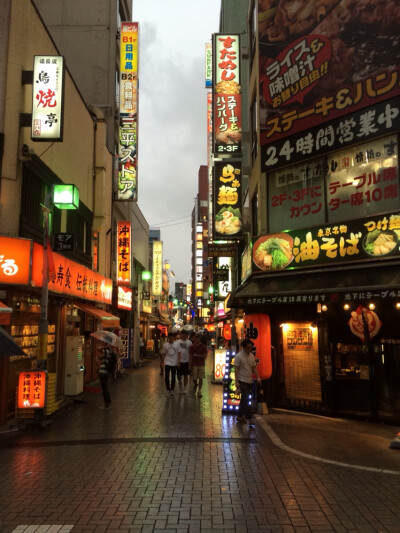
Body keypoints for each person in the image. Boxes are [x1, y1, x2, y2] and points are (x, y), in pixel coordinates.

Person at [234, 339, 261, 426]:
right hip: (242, 380)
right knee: (246, 399)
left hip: (249, 380)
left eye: (251, 347)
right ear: (244, 347)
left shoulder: (252, 356)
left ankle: (239, 416)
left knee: (244, 399)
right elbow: (236, 370)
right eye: (248, 347)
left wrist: (258, 377)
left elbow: (254, 368)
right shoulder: (238, 356)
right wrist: (236, 381)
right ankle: (249, 418)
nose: (250, 349)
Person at [97, 343, 117, 409]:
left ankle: (107, 404)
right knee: (105, 388)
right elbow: (104, 358)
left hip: (103, 372)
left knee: (104, 389)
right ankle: (108, 403)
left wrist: (105, 346)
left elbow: (98, 348)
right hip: (105, 372)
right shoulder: (110, 353)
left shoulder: (108, 351)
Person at [189, 333, 208, 398]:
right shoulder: (192, 346)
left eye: (198, 338)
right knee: (194, 378)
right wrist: (190, 364)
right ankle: (195, 384)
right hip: (194, 364)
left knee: (201, 378)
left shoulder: (203, 346)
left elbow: (205, 355)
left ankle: (199, 390)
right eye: (196, 338)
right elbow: (190, 355)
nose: (197, 339)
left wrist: (198, 356)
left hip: (201, 364)